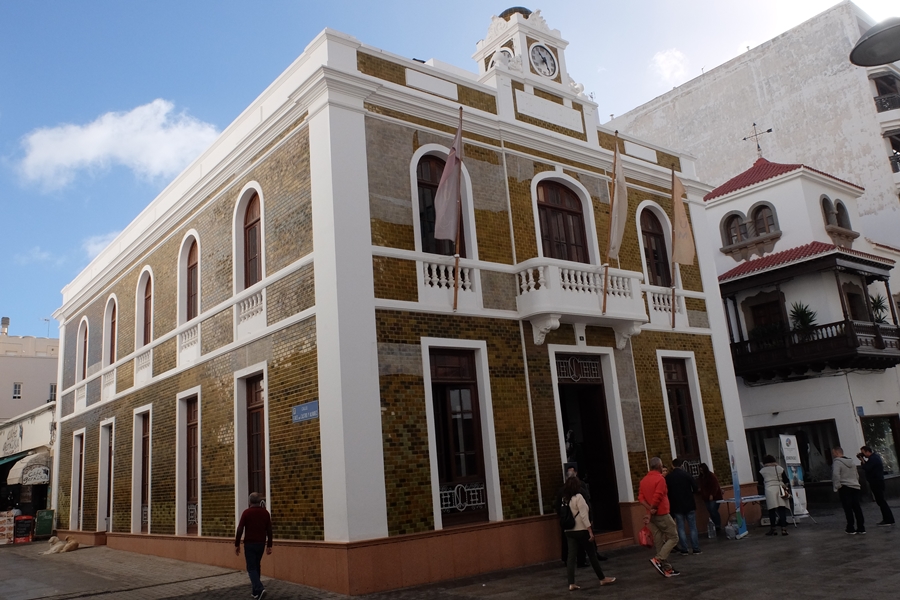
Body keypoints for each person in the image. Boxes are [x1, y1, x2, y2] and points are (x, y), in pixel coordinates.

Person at [561, 475, 616, 591]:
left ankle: (571, 583)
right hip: (581, 530)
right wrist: (590, 530)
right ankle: (602, 578)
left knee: (571, 557)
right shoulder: (579, 497)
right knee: (592, 554)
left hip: (569, 531)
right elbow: (584, 515)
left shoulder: (564, 499)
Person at [554, 464, 607, 567]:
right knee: (584, 540)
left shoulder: (562, 491)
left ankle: (568, 561)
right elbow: (587, 505)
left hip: (567, 521)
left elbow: (557, 506)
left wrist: (563, 516)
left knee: (569, 542)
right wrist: (589, 519)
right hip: (580, 521)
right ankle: (586, 560)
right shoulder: (580, 490)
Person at [638, 457, 680, 578]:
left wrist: (649, 509)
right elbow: (658, 495)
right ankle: (658, 559)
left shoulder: (643, 480)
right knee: (674, 537)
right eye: (662, 465)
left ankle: (667, 568)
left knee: (659, 540)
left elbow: (640, 498)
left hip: (652, 516)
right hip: (662, 513)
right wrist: (654, 507)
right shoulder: (660, 479)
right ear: (659, 466)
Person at [235, 492, 273, 600]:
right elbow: (269, 530)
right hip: (261, 544)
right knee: (256, 566)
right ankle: (255, 592)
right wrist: (269, 545)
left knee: (251, 568)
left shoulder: (246, 513)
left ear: (249, 502)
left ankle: (260, 589)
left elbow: (240, 529)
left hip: (250, 544)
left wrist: (237, 544)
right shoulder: (265, 513)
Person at [666, 458, 701, 555]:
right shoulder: (687, 475)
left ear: (672, 466)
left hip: (677, 505)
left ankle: (684, 549)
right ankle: (696, 548)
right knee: (693, 527)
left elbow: (666, 492)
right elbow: (695, 488)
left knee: (680, 527)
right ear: (681, 465)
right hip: (689, 504)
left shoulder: (669, 477)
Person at [859, 446, 895, 526]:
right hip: (877, 481)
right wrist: (863, 460)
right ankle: (887, 518)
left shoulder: (874, 459)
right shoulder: (874, 458)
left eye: (863, 453)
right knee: (880, 501)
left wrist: (862, 460)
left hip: (876, 482)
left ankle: (888, 519)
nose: (863, 455)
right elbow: (867, 466)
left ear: (867, 451)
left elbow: (867, 467)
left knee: (881, 501)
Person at [832, 446, 865, 535]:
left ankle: (850, 527)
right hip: (855, 486)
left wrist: (837, 486)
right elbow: (856, 474)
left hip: (845, 487)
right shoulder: (852, 462)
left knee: (848, 508)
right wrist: (856, 482)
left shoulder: (837, 462)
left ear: (837, 453)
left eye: (833, 452)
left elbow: (836, 475)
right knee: (857, 507)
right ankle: (861, 527)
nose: (833, 454)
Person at [760, 455, 790, 536]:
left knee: (771, 510)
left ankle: (773, 529)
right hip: (780, 489)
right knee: (782, 509)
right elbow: (786, 480)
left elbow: (760, 482)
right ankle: (784, 529)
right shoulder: (780, 468)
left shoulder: (762, 471)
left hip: (769, 490)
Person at [698, 463, 723, 534]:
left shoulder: (711, 476)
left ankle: (717, 525)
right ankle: (715, 524)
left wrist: (712, 494)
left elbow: (715, 486)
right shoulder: (701, 477)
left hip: (714, 497)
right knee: (710, 510)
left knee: (713, 510)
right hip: (706, 497)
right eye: (700, 470)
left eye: (702, 470)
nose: (701, 471)